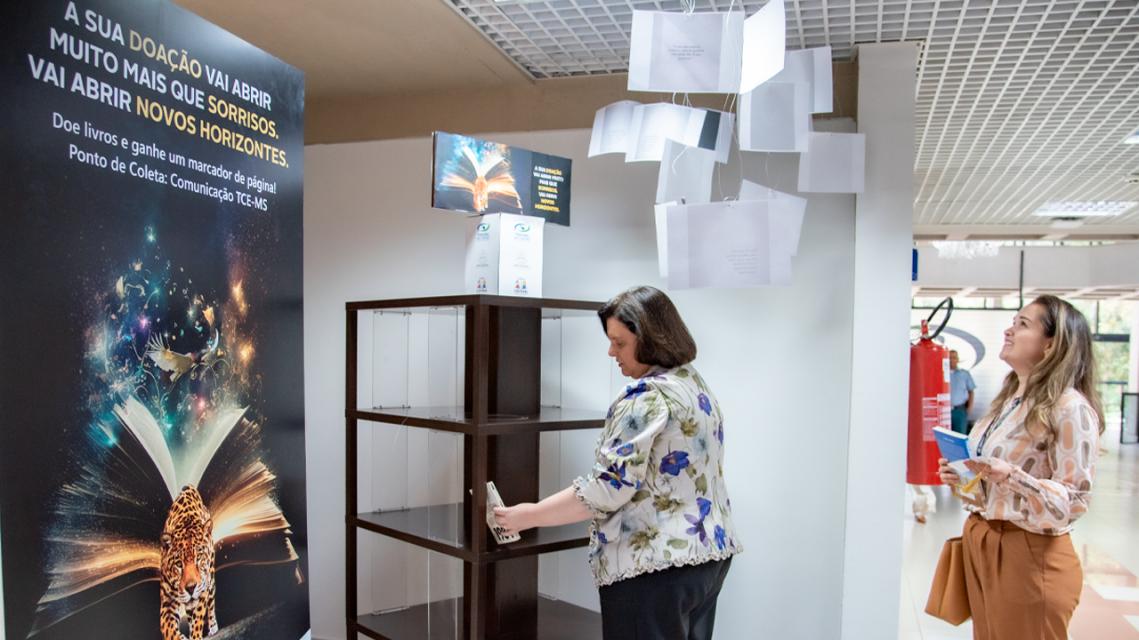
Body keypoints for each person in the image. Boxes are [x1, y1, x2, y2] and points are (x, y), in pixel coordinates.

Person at [494, 286, 741, 640]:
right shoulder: (693, 385)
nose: (612, 352)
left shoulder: (646, 398)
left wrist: (527, 515)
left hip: (654, 568)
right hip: (707, 557)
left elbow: (608, 488)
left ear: (651, 339)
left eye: (619, 343)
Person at [938, 295, 1102, 640]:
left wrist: (1013, 477)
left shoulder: (1070, 408)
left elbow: (1074, 502)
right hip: (985, 544)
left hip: (1030, 554)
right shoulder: (1009, 401)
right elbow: (992, 487)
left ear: (1051, 344)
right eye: (1013, 322)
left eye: (1023, 324)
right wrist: (963, 477)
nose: (1009, 330)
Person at [949, 349, 977, 434]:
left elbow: (971, 391)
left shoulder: (964, 374)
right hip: (944, 411)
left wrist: (970, 407)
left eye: (954, 358)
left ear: (957, 359)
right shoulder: (941, 373)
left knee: (960, 435)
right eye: (949, 358)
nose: (951, 360)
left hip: (959, 410)